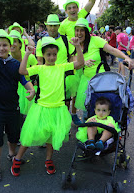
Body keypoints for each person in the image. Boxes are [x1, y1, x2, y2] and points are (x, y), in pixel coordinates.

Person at [10, 36, 85, 177]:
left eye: (54, 54)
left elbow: (80, 62)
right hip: (42, 108)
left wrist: (78, 46)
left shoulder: (62, 67)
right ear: (43, 55)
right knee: (29, 135)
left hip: (58, 108)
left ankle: (48, 160)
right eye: (48, 54)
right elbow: (22, 71)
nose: (51, 57)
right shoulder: (39, 68)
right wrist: (27, 53)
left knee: (51, 136)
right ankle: (17, 158)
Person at [0, 29, 35, 183]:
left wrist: (30, 89)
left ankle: (12, 154)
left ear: (10, 47)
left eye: (5, 45)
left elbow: (24, 80)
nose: (1, 48)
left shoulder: (15, 64)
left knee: (13, 136)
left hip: (13, 108)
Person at [73, 19, 133, 120]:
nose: (79, 33)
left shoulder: (95, 40)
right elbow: (73, 61)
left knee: (102, 109)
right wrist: (83, 63)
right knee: (87, 111)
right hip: (86, 81)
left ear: (86, 31)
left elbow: (112, 50)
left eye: (82, 30)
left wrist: (126, 57)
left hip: (101, 81)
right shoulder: (74, 44)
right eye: (77, 30)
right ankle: (89, 132)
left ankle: (105, 130)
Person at [9, 29, 38, 116]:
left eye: (15, 41)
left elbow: (38, 71)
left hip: (28, 88)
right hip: (12, 89)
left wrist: (35, 82)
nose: (12, 44)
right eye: (10, 41)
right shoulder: (6, 58)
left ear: (20, 44)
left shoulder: (30, 57)